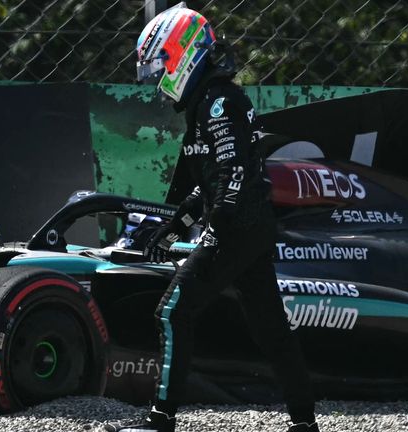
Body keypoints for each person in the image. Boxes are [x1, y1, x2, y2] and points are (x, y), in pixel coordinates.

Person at [105, 3, 319, 432]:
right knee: (271, 329)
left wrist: (214, 232)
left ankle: (160, 422)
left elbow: (232, 175)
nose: (161, 86)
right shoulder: (212, 101)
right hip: (251, 226)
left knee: (171, 312)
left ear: (182, 56)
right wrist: (175, 228)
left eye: (161, 70)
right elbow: (214, 181)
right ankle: (304, 424)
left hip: (238, 227)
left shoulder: (219, 104)